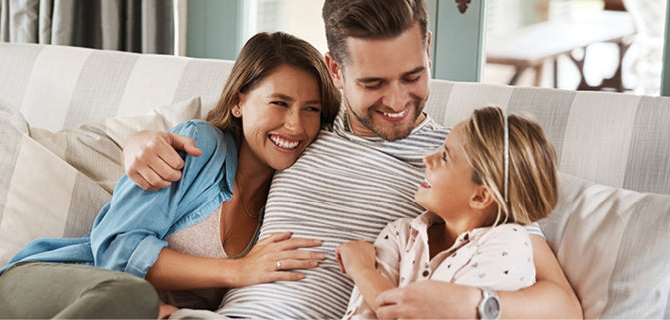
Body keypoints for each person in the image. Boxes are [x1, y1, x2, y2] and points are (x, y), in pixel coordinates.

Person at [121, 0, 584, 318]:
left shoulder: (461, 164)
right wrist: (137, 143)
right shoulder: (300, 131)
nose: (398, 101)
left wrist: (471, 305)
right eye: (373, 84)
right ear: (336, 71)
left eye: (412, 75)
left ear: (428, 48)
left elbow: (563, 304)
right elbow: (223, 135)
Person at [0, 31, 340, 320]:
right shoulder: (198, 146)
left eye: (311, 109)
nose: (295, 125)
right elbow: (115, 249)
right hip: (52, 287)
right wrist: (237, 270)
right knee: (132, 297)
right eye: (280, 103)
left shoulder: (288, 200)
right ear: (238, 102)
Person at [336, 107, 559, 319]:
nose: (427, 159)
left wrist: (362, 269)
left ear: (480, 197)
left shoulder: (508, 243)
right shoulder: (400, 234)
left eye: (444, 157)